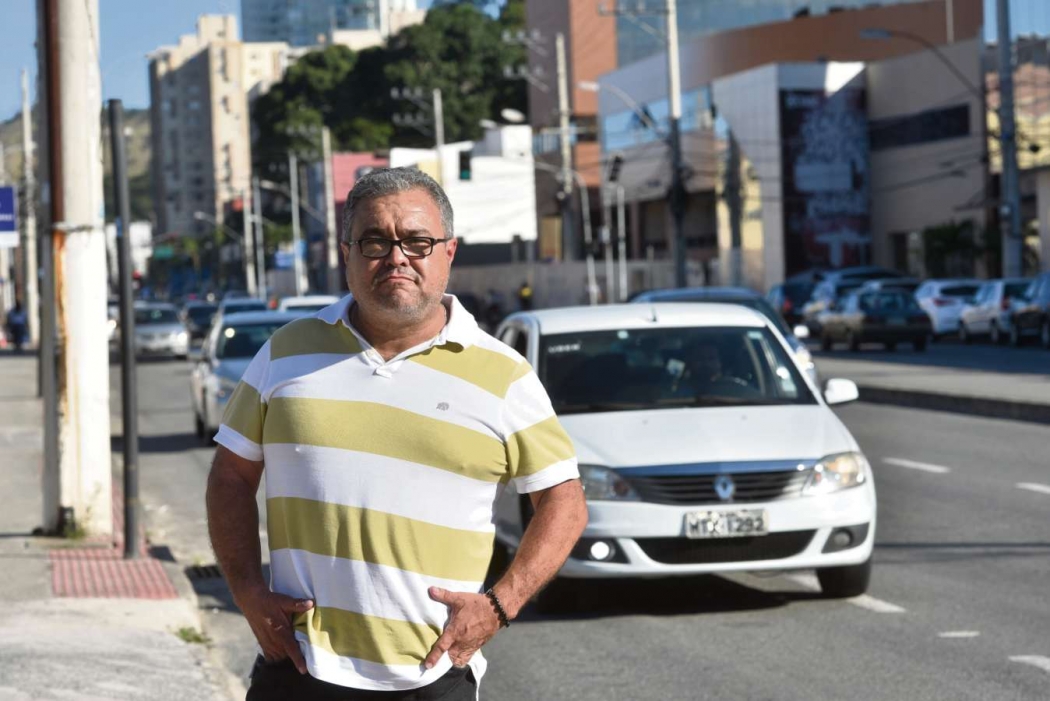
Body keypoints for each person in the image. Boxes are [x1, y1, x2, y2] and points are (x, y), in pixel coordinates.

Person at [206, 167, 588, 700]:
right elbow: (230, 476)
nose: (397, 257)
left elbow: (564, 502)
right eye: (375, 242)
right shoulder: (284, 352)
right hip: (298, 667)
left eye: (417, 241)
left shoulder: (505, 375)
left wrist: (499, 606)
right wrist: (247, 590)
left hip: (432, 677)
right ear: (347, 254)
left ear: (448, 252)